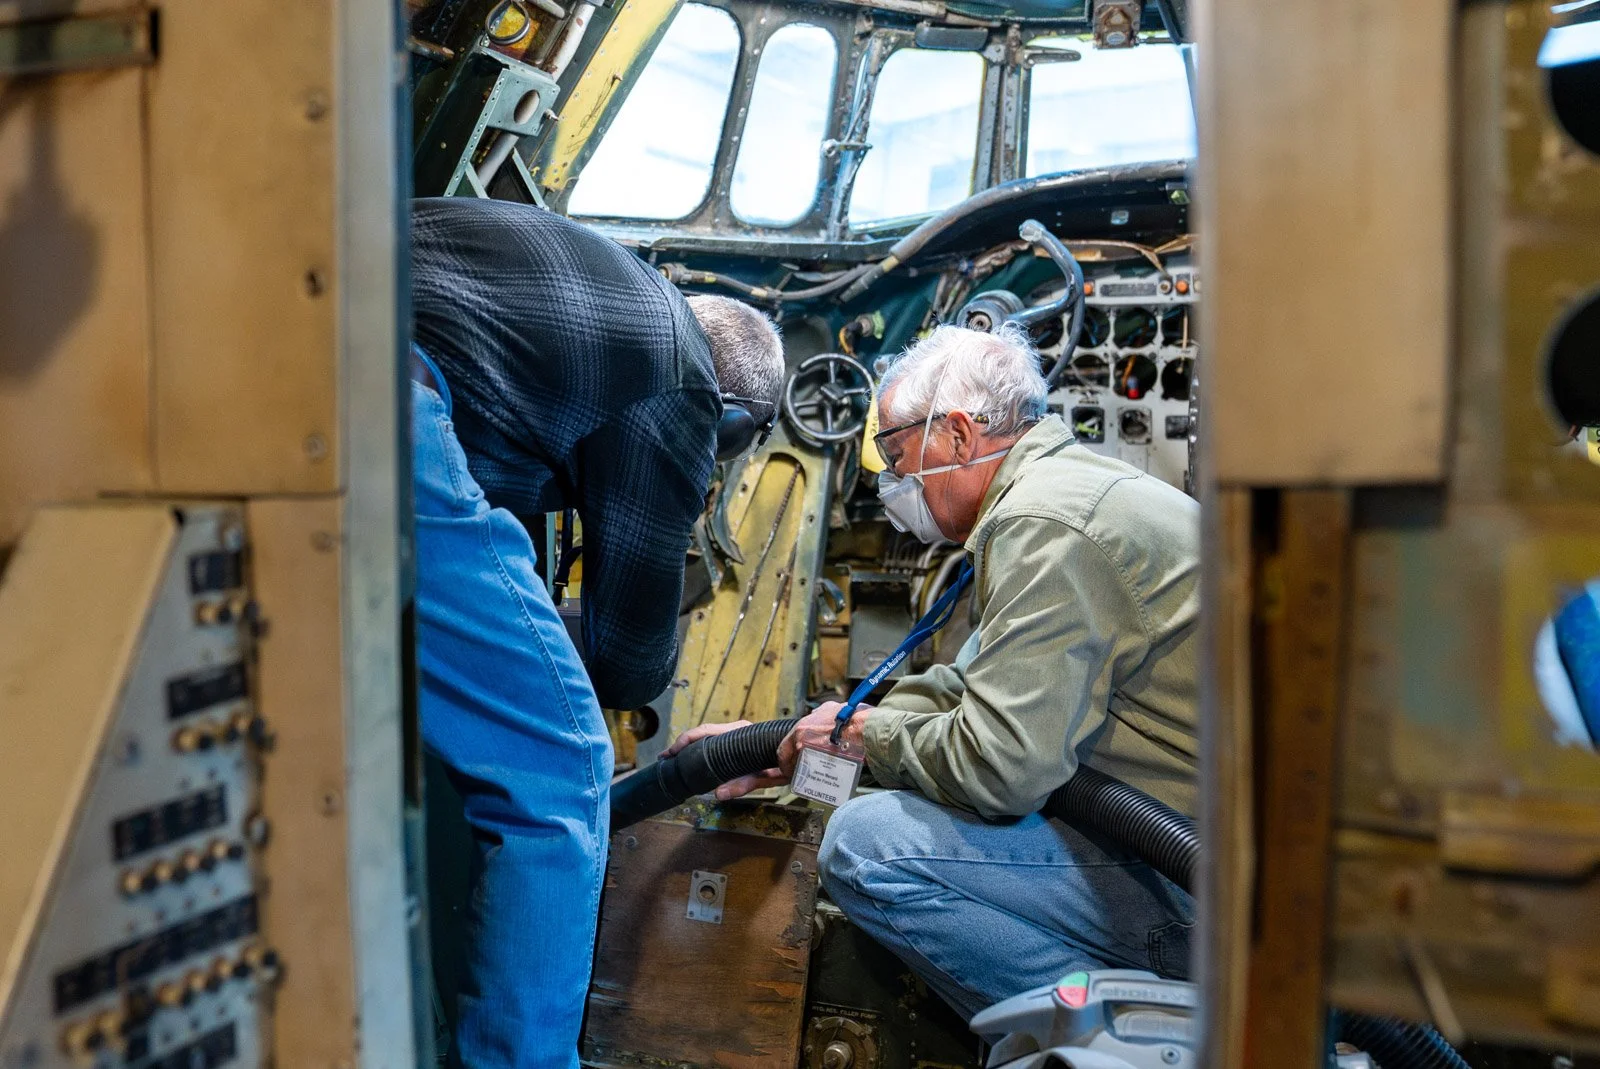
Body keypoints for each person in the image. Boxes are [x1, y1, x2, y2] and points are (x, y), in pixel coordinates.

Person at [671, 324, 1199, 1022]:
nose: (891, 482)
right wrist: (799, 738)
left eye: (895, 454)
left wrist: (860, 737)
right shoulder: (1065, 492)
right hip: (1212, 860)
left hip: (1205, 893)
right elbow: (965, 689)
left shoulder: (1046, 521)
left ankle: (1129, 1038)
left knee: (869, 846)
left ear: (955, 433)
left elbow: (1002, 765)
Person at [408, 197, 785, 1069]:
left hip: (265, 330)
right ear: (732, 422)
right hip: (379, 396)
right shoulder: (681, 384)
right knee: (562, 761)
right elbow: (626, 663)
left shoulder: (596, 295)